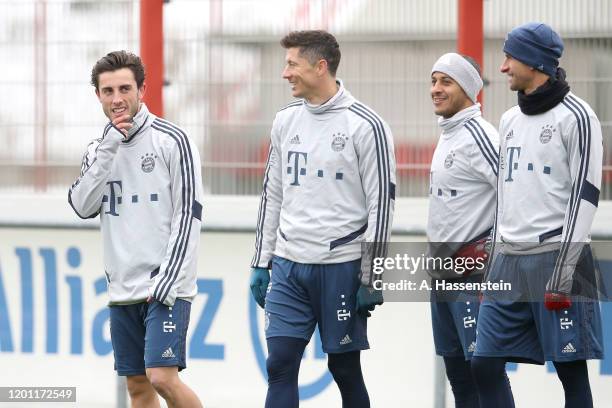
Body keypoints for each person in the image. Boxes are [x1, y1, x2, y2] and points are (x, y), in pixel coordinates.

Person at [249, 30, 396, 408]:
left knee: (344, 368)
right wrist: (261, 262)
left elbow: (382, 205)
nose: (285, 73)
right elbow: (273, 194)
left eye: (292, 64)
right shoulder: (284, 121)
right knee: (279, 365)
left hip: (340, 268)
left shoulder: (367, 125)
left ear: (320, 66)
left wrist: (372, 273)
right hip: (288, 265)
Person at [471, 23, 604, 408]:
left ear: (534, 61)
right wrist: (493, 258)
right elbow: (505, 195)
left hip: (559, 258)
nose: (503, 67)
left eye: (509, 57)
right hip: (507, 263)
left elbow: (587, 195)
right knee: (483, 364)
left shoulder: (578, 116)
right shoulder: (510, 119)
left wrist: (565, 270)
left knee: (571, 372)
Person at [68, 51, 204, 408]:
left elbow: (188, 216)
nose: (117, 99)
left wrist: (167, 280)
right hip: (122, 289)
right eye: (108, 90)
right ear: (98, 95)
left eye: (125, 88)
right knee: (138, 387)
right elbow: (82, 205)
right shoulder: (98, 150)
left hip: (165, 286)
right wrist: (110, 148)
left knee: (162, 377)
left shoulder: (172, 141)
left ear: (142, 89)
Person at [427, 53, 499, 408]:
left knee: (483, 373)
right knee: (458, 376)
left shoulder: (480, 135)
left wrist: (492, 253)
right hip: (443, 275)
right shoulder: (449, 132)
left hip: (473, 274)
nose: (436, 90)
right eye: (434, 81)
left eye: (446, 82)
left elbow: (513, 192)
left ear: (469, 89)